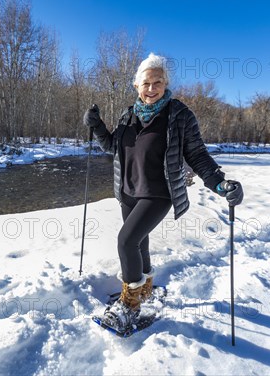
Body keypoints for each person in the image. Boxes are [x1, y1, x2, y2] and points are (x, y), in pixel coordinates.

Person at [83, 53, 244, 333]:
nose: (152, 88)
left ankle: (129, 306)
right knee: (140, 242)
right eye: (146, 82)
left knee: (126, 242)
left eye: (158, 82)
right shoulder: (128, 114)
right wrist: (97, 126)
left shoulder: (179, 114)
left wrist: (219, 183)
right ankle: (144, 290)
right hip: (128, 191)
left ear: (166, 83)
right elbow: (113, 147)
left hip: (159, 193)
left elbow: (197, 155)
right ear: (137, 85)